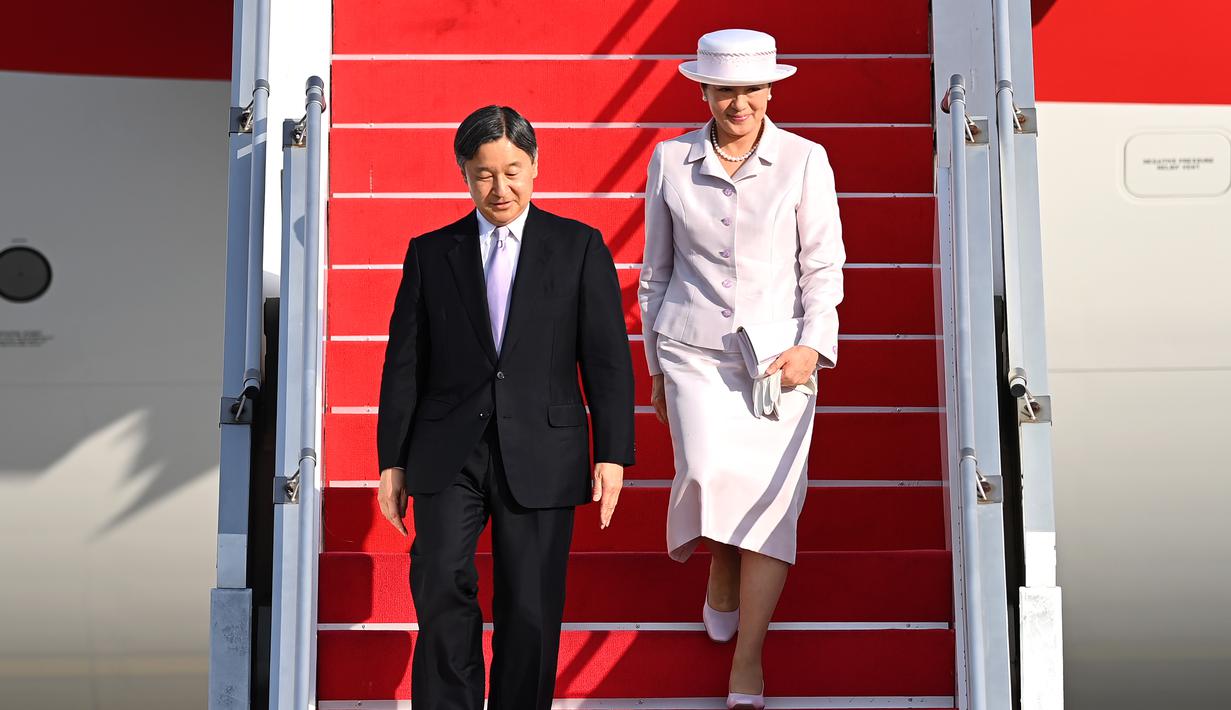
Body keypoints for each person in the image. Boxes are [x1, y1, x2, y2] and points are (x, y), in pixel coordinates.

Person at [376, 105, 636, 710]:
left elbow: (605, 357)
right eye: (484, 174)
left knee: (531, 605)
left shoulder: (578, 247)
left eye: (513, 170)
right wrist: (393, 460)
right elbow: (404, 363)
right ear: (463, 175)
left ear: (536, 166)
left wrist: (613, 453)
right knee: (440, 581)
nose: (501, 188)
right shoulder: (429, 253)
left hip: (545, 447)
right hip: (448, 452)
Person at [638, 29, 846, 710]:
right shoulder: (669, 161)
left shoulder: (804, 160)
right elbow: (655, 272)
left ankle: (747, 660)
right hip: (691, 352)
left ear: (769, 91)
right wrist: (655, 371)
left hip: (777, 360)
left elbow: (820, 265)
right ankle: (720, 558)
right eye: (725, 89)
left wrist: (811, 346)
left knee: (770, 507)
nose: (739, 103)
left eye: (751, 89)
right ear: (703, 91)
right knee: (702, 472)